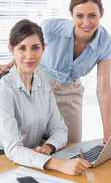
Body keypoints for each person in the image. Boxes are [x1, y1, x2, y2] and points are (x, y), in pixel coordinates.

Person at [0, 0, 111, 143]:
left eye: (92, 15)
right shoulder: (51, 28)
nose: (86, 22)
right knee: (31, 140)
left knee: (71, 143)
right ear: (71, 15)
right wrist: (11, 64)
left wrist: (107, 130)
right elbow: (28, 44)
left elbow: (104, 87)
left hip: (70, 92)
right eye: (80, 16)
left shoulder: (106, 42)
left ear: (101, 13)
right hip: (41, 85)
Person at [0, 19, 90, 175]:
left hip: (33, 160)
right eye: (22, 48)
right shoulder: (4, 88)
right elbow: (13, 149)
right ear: (11, 50)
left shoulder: (43, 82)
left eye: (35, 47)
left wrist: (48, 147)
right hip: (7, 163)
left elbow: (60, 129)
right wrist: (57, 164)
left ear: (44, 49)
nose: (29, 56)